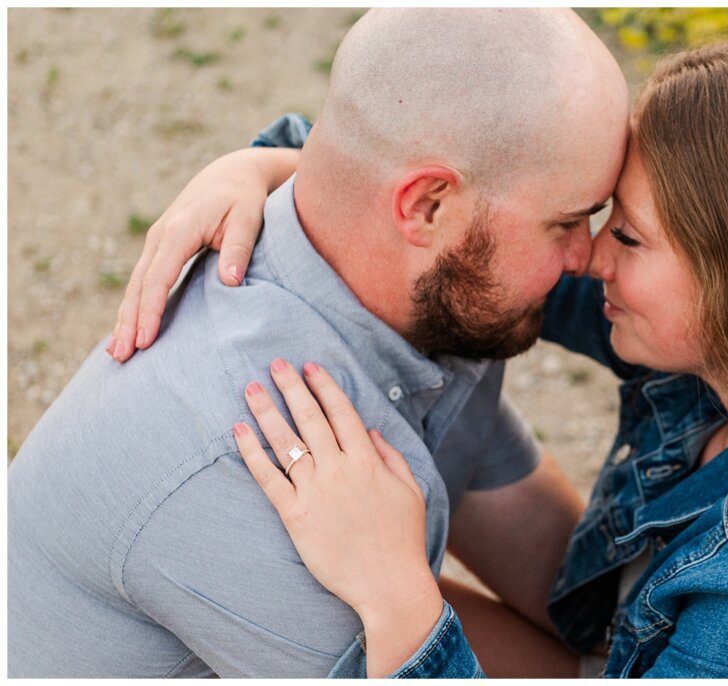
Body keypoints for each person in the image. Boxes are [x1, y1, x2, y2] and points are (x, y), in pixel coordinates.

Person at [112, 33, 728, 678]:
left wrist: (399, 599)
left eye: (624, 235)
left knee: (334, 612)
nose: (585, 258)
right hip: (617, 646)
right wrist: (253, 171)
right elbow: (434, 228)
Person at [7, 9, 628, 677]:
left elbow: (584, 609)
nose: (586, 256)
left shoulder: (434, 297)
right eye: (568, 221)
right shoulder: (248, 456)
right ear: (425, 206)